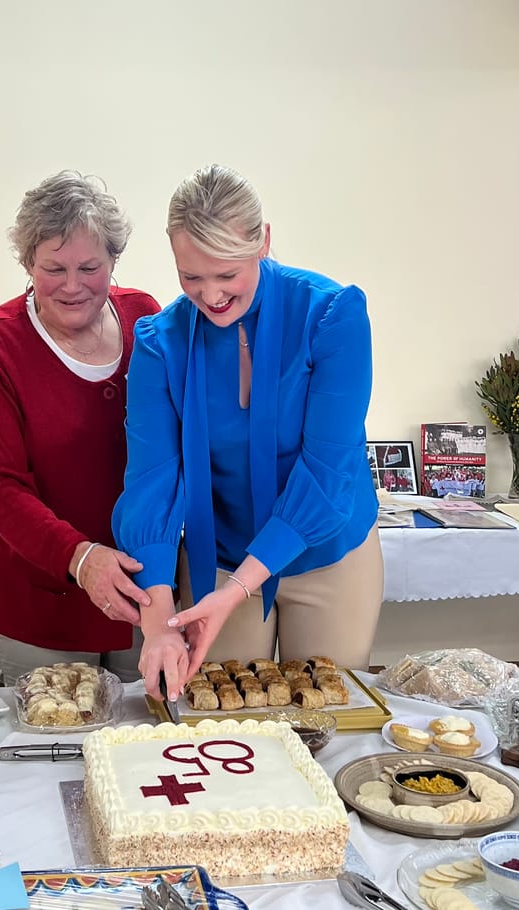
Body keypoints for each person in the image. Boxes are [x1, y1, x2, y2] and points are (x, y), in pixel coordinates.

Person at [112, 163, 384, 701]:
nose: (210, 295)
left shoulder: (331, 316)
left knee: (326, 714)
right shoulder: (159, 342)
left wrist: (241, 588)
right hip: (219, 555)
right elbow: (151, 482)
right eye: (191, 277)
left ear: (263, 241)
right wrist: (159, 619)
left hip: (327, 553)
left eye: (226, 274)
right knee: (221, 715)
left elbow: (327, 471)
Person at [0, 170, 160, 685]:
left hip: (143, 594)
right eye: (54, 268)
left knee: (144, 731)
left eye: (90, 267)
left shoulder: (146, 319)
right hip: (38, 606)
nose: (72, 285)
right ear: (28, 263)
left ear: (114, 261)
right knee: (53, 730)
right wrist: (81, 558)